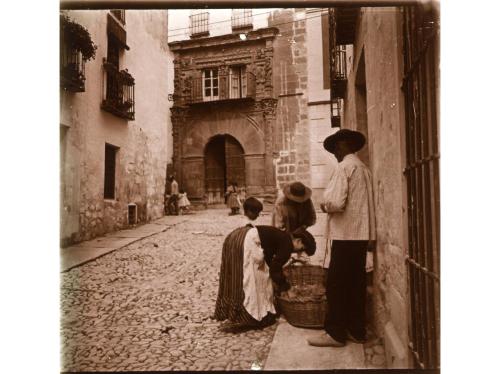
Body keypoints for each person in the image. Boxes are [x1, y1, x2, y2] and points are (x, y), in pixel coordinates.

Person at [307, 129, 376, 348]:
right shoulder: (363, 168)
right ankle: (356, 330)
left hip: (345, 235)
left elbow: (336, 202)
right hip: (360, 236)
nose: (335, 152)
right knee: (355, 284)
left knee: (336, 285)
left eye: (336, 148)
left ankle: (335, 333)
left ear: (344, 145)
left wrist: (323, 204)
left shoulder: (344, 167)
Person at [214, 197, 317, 333]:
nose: (299, 252)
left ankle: (235, 312)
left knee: (238, 276)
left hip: (235, 237)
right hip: (247, 241)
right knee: (253, 281)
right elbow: (275, 270)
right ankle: (252, 317)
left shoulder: (282, 237)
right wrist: (286, 287)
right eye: (302, 248)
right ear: (298, 240)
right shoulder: (287, 245)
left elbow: (269, 259)